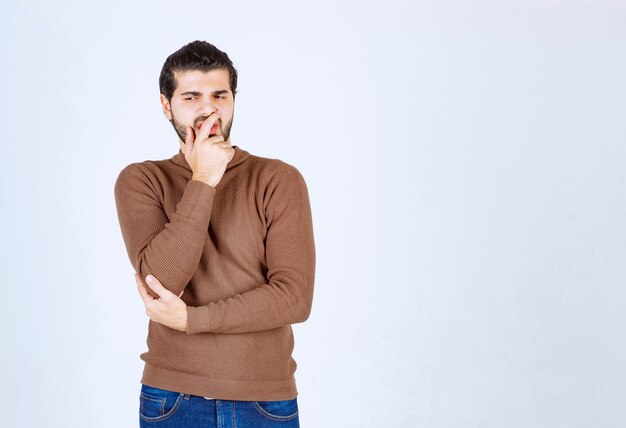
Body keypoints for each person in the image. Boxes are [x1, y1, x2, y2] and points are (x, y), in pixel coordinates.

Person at [114, 40, 316, 427]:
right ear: (166, 104)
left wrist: (192, 319)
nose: (208, 108)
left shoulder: (277, 179)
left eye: (219, 95)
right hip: (173, 399)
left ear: (234, 99)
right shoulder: (142, 180)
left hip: (265, 401)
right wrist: (204, 179)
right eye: (191, 96)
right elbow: (163, 280)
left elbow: (294, 298)